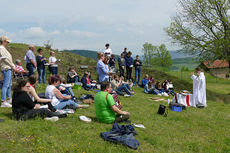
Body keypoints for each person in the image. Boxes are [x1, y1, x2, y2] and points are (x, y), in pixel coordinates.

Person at [0, 36, 15, 107]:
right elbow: (5, 59)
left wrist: (12, 66)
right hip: (6, 68)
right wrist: (13, 66)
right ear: (3, 41)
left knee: (9, 85)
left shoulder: (3, 48)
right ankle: (3, 101)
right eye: (7, 41)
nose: (8, 43)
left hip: (8, 68)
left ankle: (8, 99)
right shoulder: (1, 48)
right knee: (6, 85)